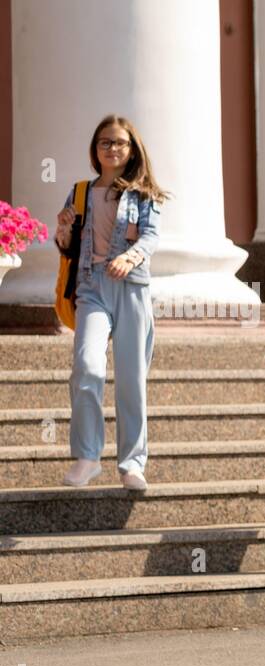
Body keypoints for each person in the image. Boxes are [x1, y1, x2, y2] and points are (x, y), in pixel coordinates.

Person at [55, 114, 167, 490]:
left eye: (119, 142)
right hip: (91, 287)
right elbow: (68, 247)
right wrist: (64, 229)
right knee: (87, 366)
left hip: (132, 288)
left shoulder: (143, 194)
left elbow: (150, 238)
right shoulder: (81, 191)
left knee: (132, 379)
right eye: (105, 142)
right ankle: (88, 456)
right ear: (95, 148)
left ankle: (132, 463)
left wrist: (130, 256)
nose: (112, 148)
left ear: (132, 148)